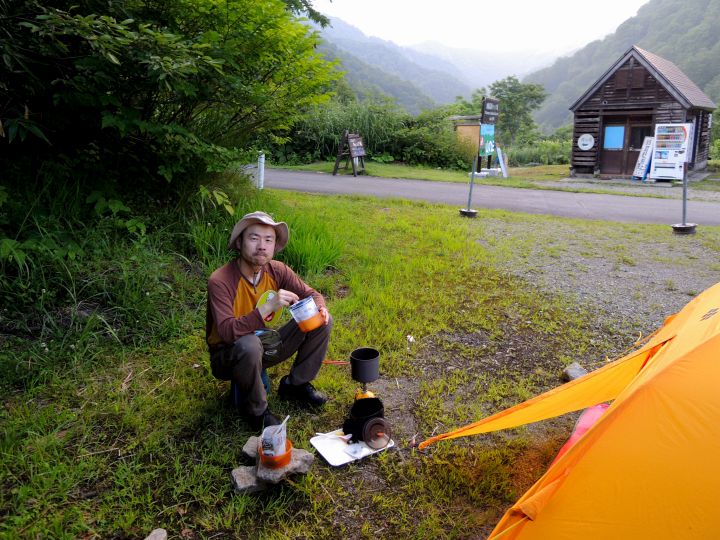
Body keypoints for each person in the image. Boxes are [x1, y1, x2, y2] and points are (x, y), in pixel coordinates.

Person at [206, 211, 332, 430]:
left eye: (268, 240)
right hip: (228, 355)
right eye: (254, 238)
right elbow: (226, 332)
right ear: (239, 242)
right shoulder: (221, 280)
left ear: (274, 246)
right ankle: (257, 411)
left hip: (264, 344)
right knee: (249, 344)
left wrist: (320, 307)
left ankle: (295, 385)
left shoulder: (277, 270)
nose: (262, 246)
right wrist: (266, 308)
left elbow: (311, 294)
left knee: (320, 319)